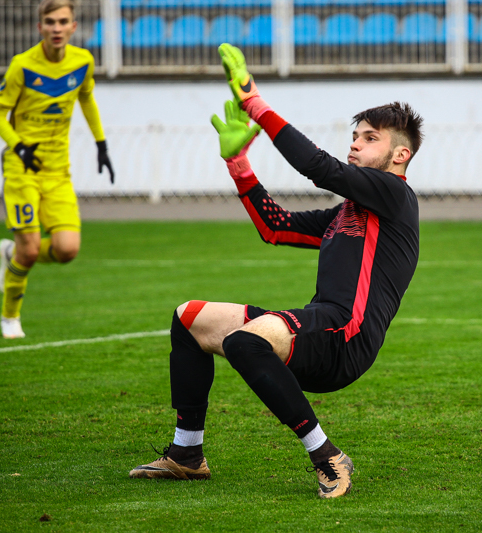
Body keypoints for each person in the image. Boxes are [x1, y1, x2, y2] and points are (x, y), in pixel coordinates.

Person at [129, 44, 423, 499]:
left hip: (346, 335)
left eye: (370, 138)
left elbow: (317, 167)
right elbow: (275, 226)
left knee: (244, 342)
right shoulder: (348, 212)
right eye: (355, 135)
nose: (355, 143)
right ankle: (187, 454)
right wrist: (239, 165)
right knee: (189, 318)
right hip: (321, 327)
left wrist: (254, 101)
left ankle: (327, 456)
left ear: (400, 155)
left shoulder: (395, 195)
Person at [0, 0, 114, 339]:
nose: (56, 28)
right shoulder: (22, 65)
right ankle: (10, 317)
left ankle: (10, 253)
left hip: (58, 170)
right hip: (22, 167)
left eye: (62, 21)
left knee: (67, 249)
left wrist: (101, 144)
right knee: (30, 249)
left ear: (73, 27)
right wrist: (18, 146)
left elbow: (86, 98)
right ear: (40, 27)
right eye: (50, 22)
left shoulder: (82, 61)